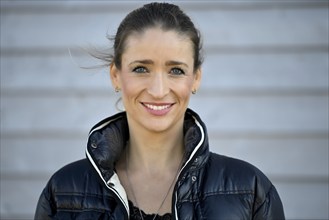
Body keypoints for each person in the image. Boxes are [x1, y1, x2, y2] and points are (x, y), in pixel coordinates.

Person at [35, 2, 285, 220]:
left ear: (195, 78)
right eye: (141, 69)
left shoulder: (251, 190)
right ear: (115, 76)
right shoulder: (63, 190)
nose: (158, 90)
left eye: (176, 70)